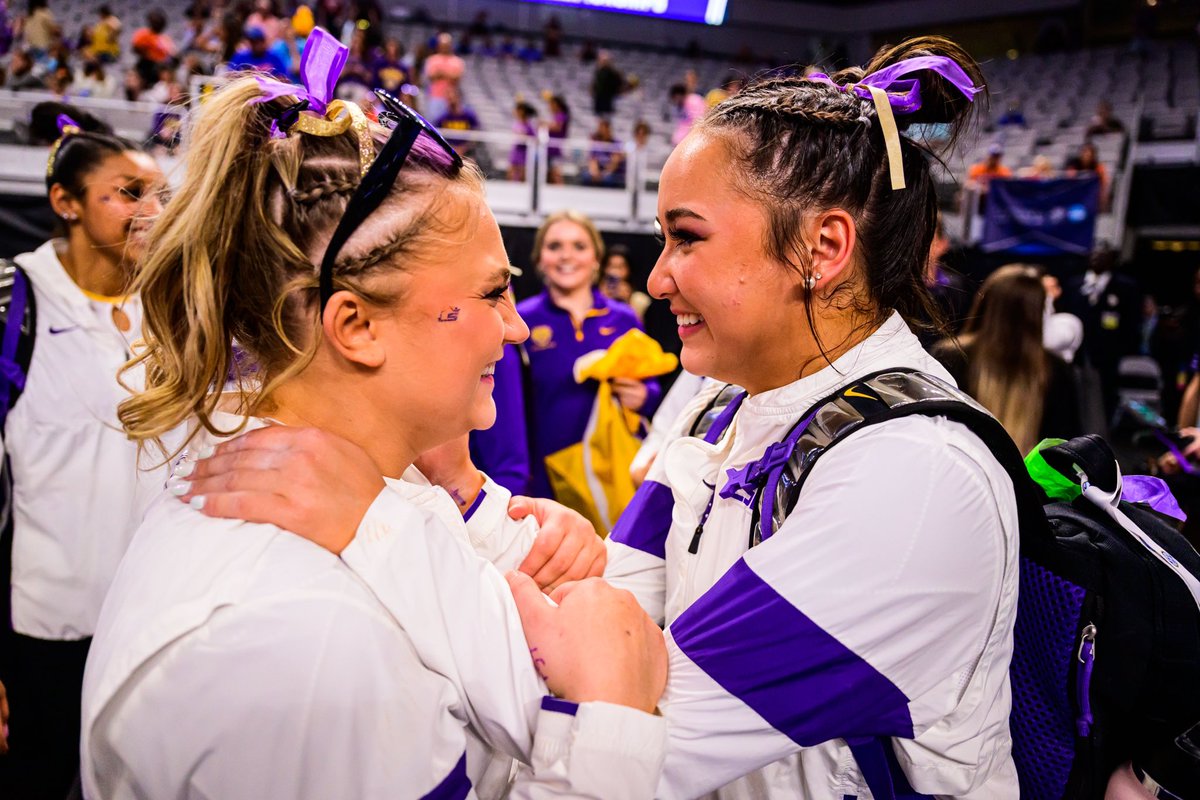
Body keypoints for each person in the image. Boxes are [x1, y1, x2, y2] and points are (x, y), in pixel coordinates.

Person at [166, 36, 1028, 798]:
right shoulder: (723, 408)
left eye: (686, 238)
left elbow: (631, 718)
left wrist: (377, 528)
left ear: (823, 249)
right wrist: (483, 518)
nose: (656, 279)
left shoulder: (915, 482)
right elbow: (609, 601)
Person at [79, 66, 667, 799]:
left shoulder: (373, 495)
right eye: (491, 292)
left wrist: (491, 519)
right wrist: (611, 733)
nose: (515, 327)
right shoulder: (302, 644)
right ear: (356, 327)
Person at [0, 105, 167, 800]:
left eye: (158, 194)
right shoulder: (14, 299)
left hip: (151, 627)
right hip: (42, 630)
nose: (149, 211)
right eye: (127, 192)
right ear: (65, 203)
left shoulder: (174, 307)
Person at [518, 210, 662, 518]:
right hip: (545, 477)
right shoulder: (522, 320)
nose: (566, 255)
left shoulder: (623, 318)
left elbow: (651, 383)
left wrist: (645, 395)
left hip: (612, 475)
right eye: (555, 246)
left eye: (579, 246)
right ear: (540, 258)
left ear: (596, 258)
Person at [933, 265, 1083, 454]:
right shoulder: (1055, 370)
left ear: (987, 302)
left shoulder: (950, 356)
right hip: (1028, 481)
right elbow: (1066, 444)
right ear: (1037, 312)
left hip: (956, 475)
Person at [599, 243, 650, 319]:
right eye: (611, 266)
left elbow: (638, 327)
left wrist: (627, 302)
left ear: (629, 270)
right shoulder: (592, 294)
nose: (615, 271)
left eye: (620, 267)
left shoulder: (639, 300)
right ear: (604, 268)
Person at [422, 31, 464, 122]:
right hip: (435, 97)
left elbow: (456, 78)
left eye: (447, 45)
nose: (444, 47)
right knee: (433, 123)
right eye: (442, 45)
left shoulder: (457, 61)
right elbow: (431, 76)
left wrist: (441, 73)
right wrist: (448, 74)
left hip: (451, 99)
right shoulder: (432, 59)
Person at [131, 9, 175, 87]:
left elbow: (171, 54)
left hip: (158, 69)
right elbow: (135, 48)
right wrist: (148, 53)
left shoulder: (165, 39)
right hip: (145, 66)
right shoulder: (143, 34)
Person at [1064, 140, 1111, 211]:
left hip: (1092, 200)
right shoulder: (1074, 165)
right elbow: (1069, 182)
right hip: (1076, 198)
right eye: (1084, 152)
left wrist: (1102, 201)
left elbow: (1103, 185)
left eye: (1089, 153)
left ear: (1093, 155)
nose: (1087, 155)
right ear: (1080, 154)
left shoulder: (1099, 167)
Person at [584, 117, 625, 187]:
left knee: (607, 179)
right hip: (598, 170)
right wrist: (595, 172)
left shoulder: (616, 143)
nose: (601, 131)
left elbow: (614, 164)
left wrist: (603, 174)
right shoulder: (596, 143)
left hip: (611, 172)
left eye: (603, 129)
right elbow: (593, 160)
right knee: (586, 176)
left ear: (608, 129)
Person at [507, 99, 537, 182]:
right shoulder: (516, 123)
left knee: (522, 173)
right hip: (515, 150)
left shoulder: (529, 125)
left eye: (517, 110)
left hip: (524, 152)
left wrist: (525, 137)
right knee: (511, 172)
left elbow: (534, 138)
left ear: (522, 111)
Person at [544, 93, 569, 184]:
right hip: (550, 148)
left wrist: (545, 124)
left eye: (551, 104)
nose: (549, 107)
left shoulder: (561, 115)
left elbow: (558, 127)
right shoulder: (555, 116)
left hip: (556, 148)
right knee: (550, 174)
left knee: (556, 173)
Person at [590, 49, 622, 116]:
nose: (602, 63)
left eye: (605, 62)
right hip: (601, 103)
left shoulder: (612, 74)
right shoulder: (599, 73)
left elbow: (619, 87)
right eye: (601, 61)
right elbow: (593, 88)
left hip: (606, 103)